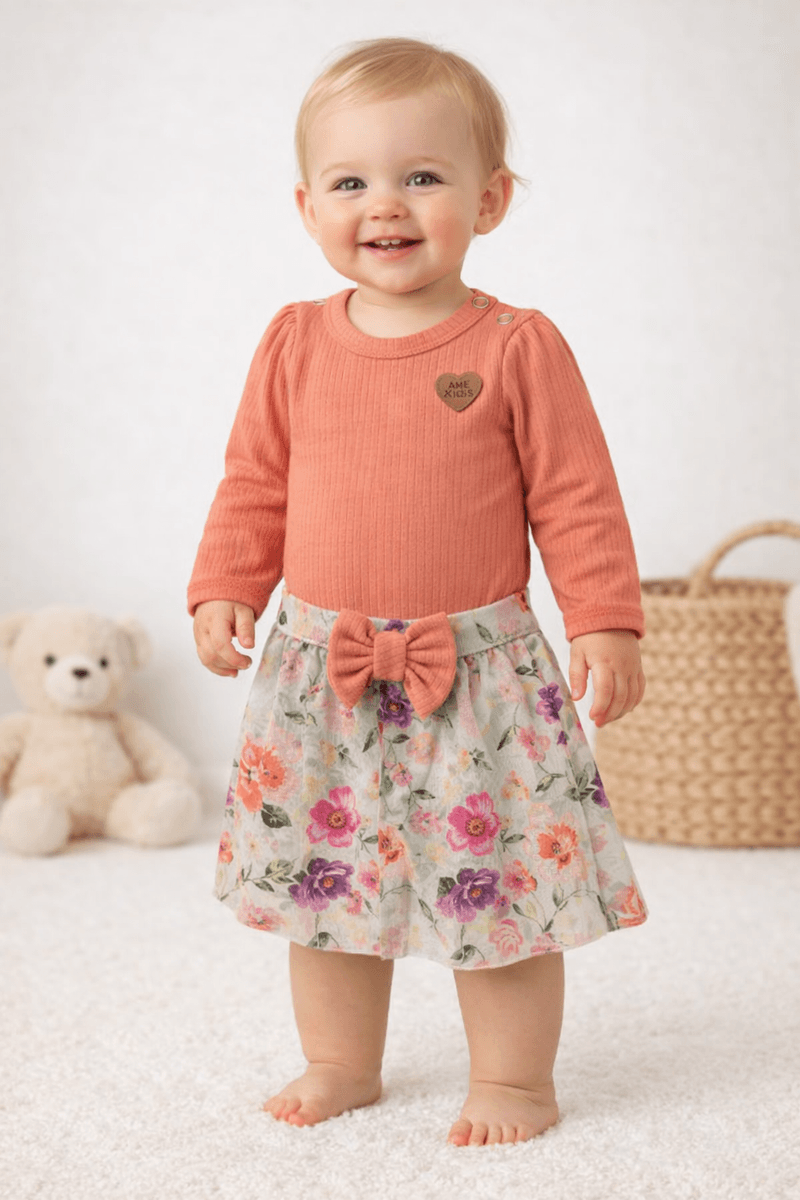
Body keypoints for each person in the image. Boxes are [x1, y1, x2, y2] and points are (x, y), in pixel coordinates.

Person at [187, 36, 649, 1148]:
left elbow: (577, 495)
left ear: (489, 200)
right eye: (350, 181)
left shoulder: (515, 345)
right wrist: (225, 584)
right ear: (307, 207)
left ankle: (515, 1081)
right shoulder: (293, 342)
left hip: (477, 676)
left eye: (422, 176)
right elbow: (254, 479)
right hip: (324, 671)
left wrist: (603, 619)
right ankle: (340, 1060)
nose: (384, 204)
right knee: (325, 888)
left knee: (502, 892)